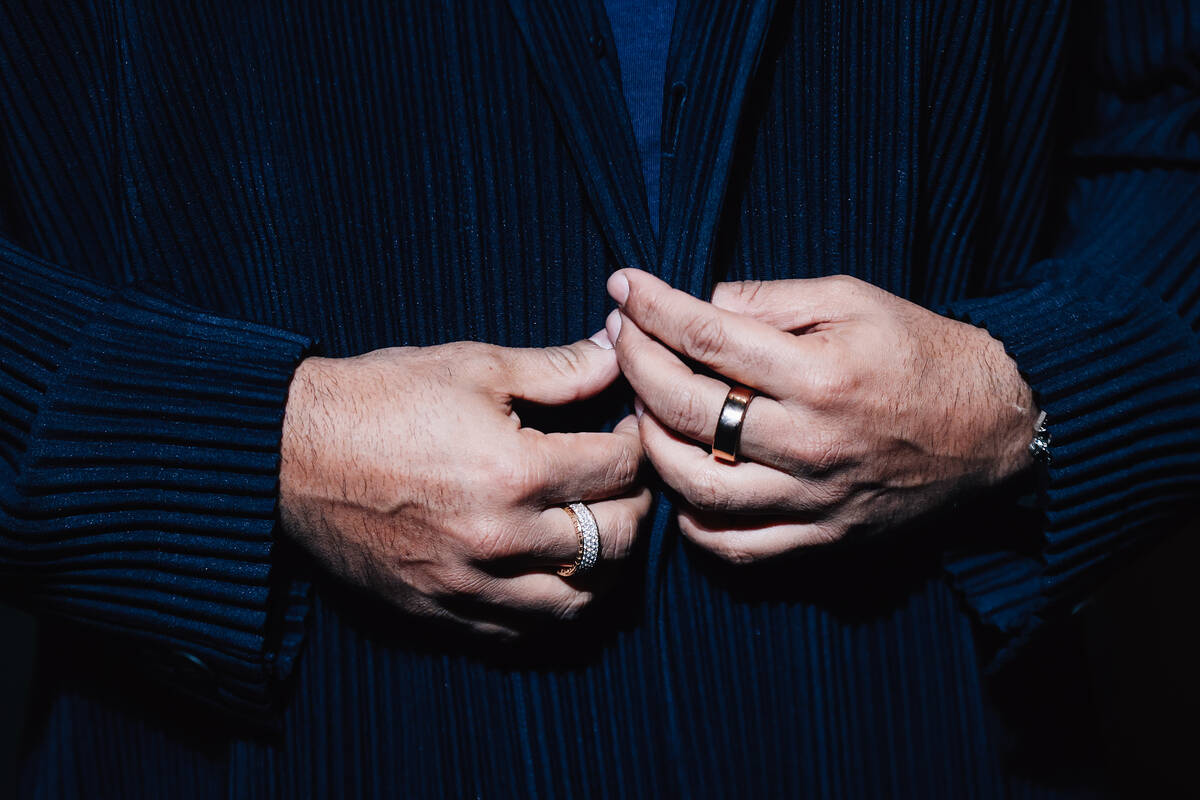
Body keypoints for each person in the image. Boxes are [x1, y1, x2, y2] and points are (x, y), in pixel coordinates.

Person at [1, 0, 1196, 796]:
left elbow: (1177, 114)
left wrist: (1024, 389)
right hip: (270, 738)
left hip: (926, 734)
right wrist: (244, 445)